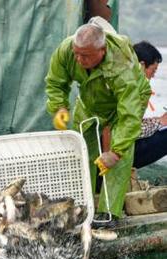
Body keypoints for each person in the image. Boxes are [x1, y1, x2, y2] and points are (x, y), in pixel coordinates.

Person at [45, 23, 151, 221]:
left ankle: (109, 213)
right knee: (81, 149)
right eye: (76, 53)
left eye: (85, 55)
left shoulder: (121, 64)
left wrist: (116, 151)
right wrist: (59, 107)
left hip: (127, 102)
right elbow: (55, 82)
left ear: (102, 51)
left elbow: (129, 113)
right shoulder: (67, 50)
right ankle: (80, 206)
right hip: (90, 101)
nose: (79, 59)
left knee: (118, 156)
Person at [132, 41, 167, 169]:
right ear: (141, 65)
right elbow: (130, 130)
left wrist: (159, 121)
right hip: (122, 152)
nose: (154, 75)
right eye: (153, 70)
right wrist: (160, 122)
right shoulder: (130, 88)